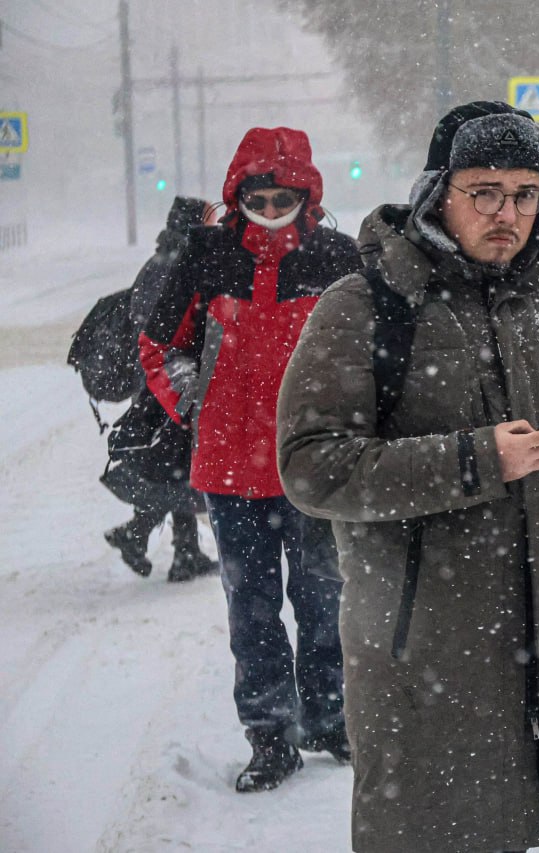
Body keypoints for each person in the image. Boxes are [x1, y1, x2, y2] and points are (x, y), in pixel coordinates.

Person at [276, 101, 539, 852]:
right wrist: (476, 459)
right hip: (423, 655)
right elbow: (312, 464)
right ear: (437, 192)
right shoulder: (369, 305)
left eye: (525, 194)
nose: (506, 212)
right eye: (484, 191)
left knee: (521, 831)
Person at [140, 127, 360, 792]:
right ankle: (271, 735)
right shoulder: (206, 255)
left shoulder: (336, 258)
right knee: (253, 611)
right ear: (238, 195)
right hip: (230, 472)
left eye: (282, 196)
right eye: (257, 197)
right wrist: (194, 406)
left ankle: (330, 717)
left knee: (325, 599)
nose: (270, 208)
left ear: (306, 194)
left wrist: (345, 421)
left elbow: (366, 350)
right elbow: (159, 341)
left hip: (311, 468)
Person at [103, 196, 219, 583]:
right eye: (208, 222)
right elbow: (168, 332)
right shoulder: (183, 267)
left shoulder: (153, 265)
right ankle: (163, 546)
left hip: (154, 382)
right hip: (170, 384)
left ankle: (165, 545)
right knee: (178, 471)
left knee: (171, 471)